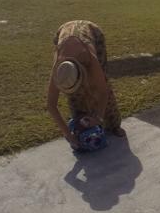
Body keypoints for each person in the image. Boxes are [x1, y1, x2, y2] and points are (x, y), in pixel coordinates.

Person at [46, 20, 125, 150]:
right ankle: (80, 124)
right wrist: (68, 135)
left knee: (102, 83)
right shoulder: (59, 69)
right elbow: (51, 105)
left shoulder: (90, 58)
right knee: (75, 97)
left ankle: (114, 125)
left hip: (92, 32)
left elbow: (103, 92)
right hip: (63, 31)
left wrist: (98, 118)